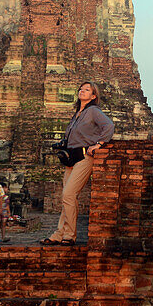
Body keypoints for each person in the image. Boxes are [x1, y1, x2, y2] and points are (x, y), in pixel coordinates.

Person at [40, 82, 114, 245]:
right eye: (81, 89)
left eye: (87, 90)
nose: (82, 91)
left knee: (69, 194)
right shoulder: (77, 114)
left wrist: (99, 144)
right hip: (71, 158)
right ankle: (59, 233)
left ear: (94, 96)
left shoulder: (93, 111)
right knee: (66, 196)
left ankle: (70, 235)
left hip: (84, 157)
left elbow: (108, 126)